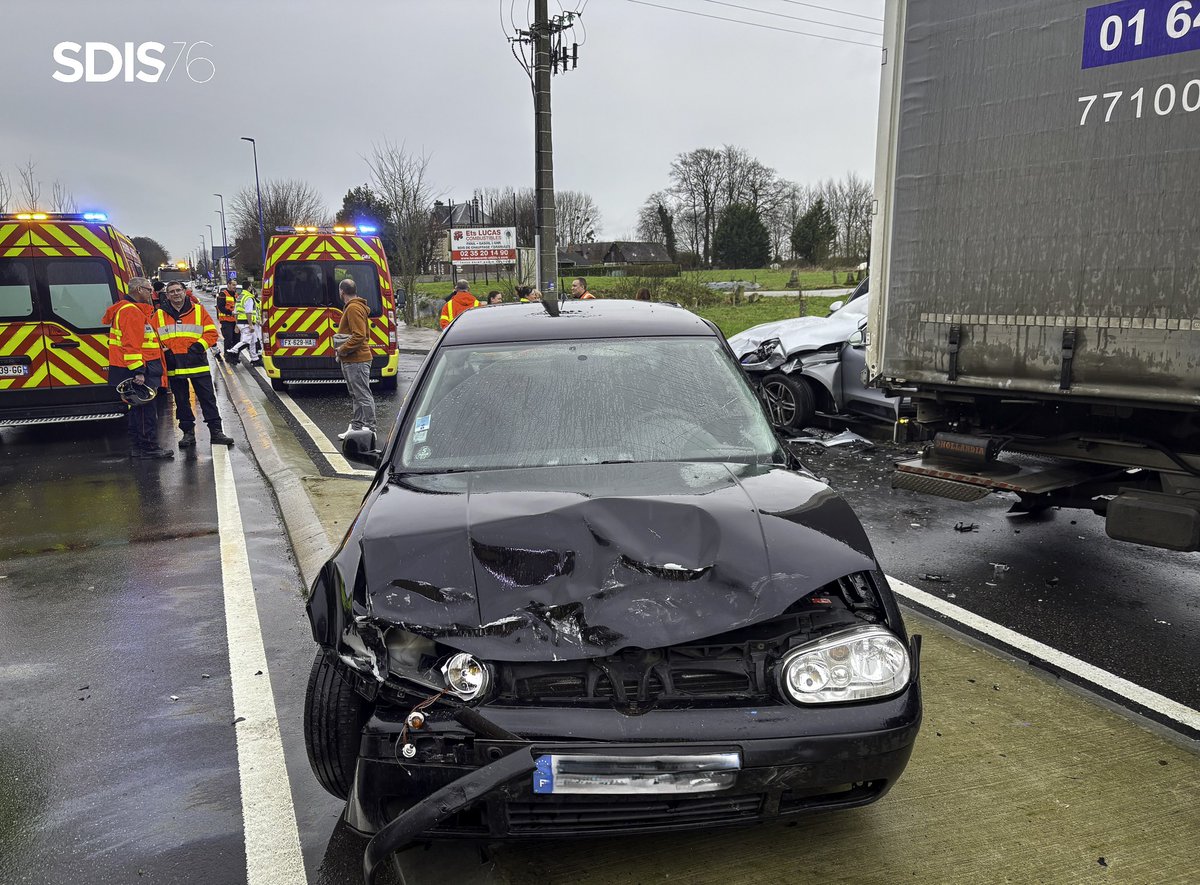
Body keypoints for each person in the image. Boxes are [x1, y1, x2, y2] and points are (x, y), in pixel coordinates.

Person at [154, 281, 235, 449]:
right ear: (167, 295)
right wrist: (164, 351)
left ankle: (216, 432)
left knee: (208, 399)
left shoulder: (198, 310)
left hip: (197, 363)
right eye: (172, 292)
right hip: (174, 365)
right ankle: (188, 433)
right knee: (181, 401)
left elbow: (212, 332)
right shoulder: (159, 314)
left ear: (185, 292)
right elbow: (152, 337)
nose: (176, 294)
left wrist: (199, 346)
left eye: (178, 290)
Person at [102, 277, 173, 460]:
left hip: (137, 366)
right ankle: (148, 447)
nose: (152, 293)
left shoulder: (126, 309)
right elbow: (131, 345)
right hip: (141, 369)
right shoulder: (131, 311)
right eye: (149, 289)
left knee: (136, 410)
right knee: (145, 410)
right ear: (139, 289)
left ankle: (139, 446)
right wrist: (138, 371)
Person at [334, 278, 376, 440]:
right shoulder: (356, 307)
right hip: (353, 359)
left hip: (357, 359)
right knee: (356, 394)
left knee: (362, 394)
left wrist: (342, 349)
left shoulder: (353, 309)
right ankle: (357, 426)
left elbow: (359, 335)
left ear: (342, 291)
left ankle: (370, 428)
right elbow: (365, 334)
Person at [228, 284, 263, 365]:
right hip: (246, 323)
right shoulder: (249, 298)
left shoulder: (240, 297)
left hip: (241, 322)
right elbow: (248, 312)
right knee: (246, 340)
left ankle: (255, 359)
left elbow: (236, 311)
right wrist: (250, 325)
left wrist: (237, 324)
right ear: (249, 287)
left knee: (253, 340)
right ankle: (232, 351)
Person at [216, 279, 239, 363]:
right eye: (233, 285)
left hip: (235, 321)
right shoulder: (222, 294)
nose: (235, 287)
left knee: (237, 339)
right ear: (228, 285)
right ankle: (227, 356)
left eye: (235, 285)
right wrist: (231, 312)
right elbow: (221, 307)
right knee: (228, 339)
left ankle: (235, 357)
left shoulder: (236, 295)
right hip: (226, 321)